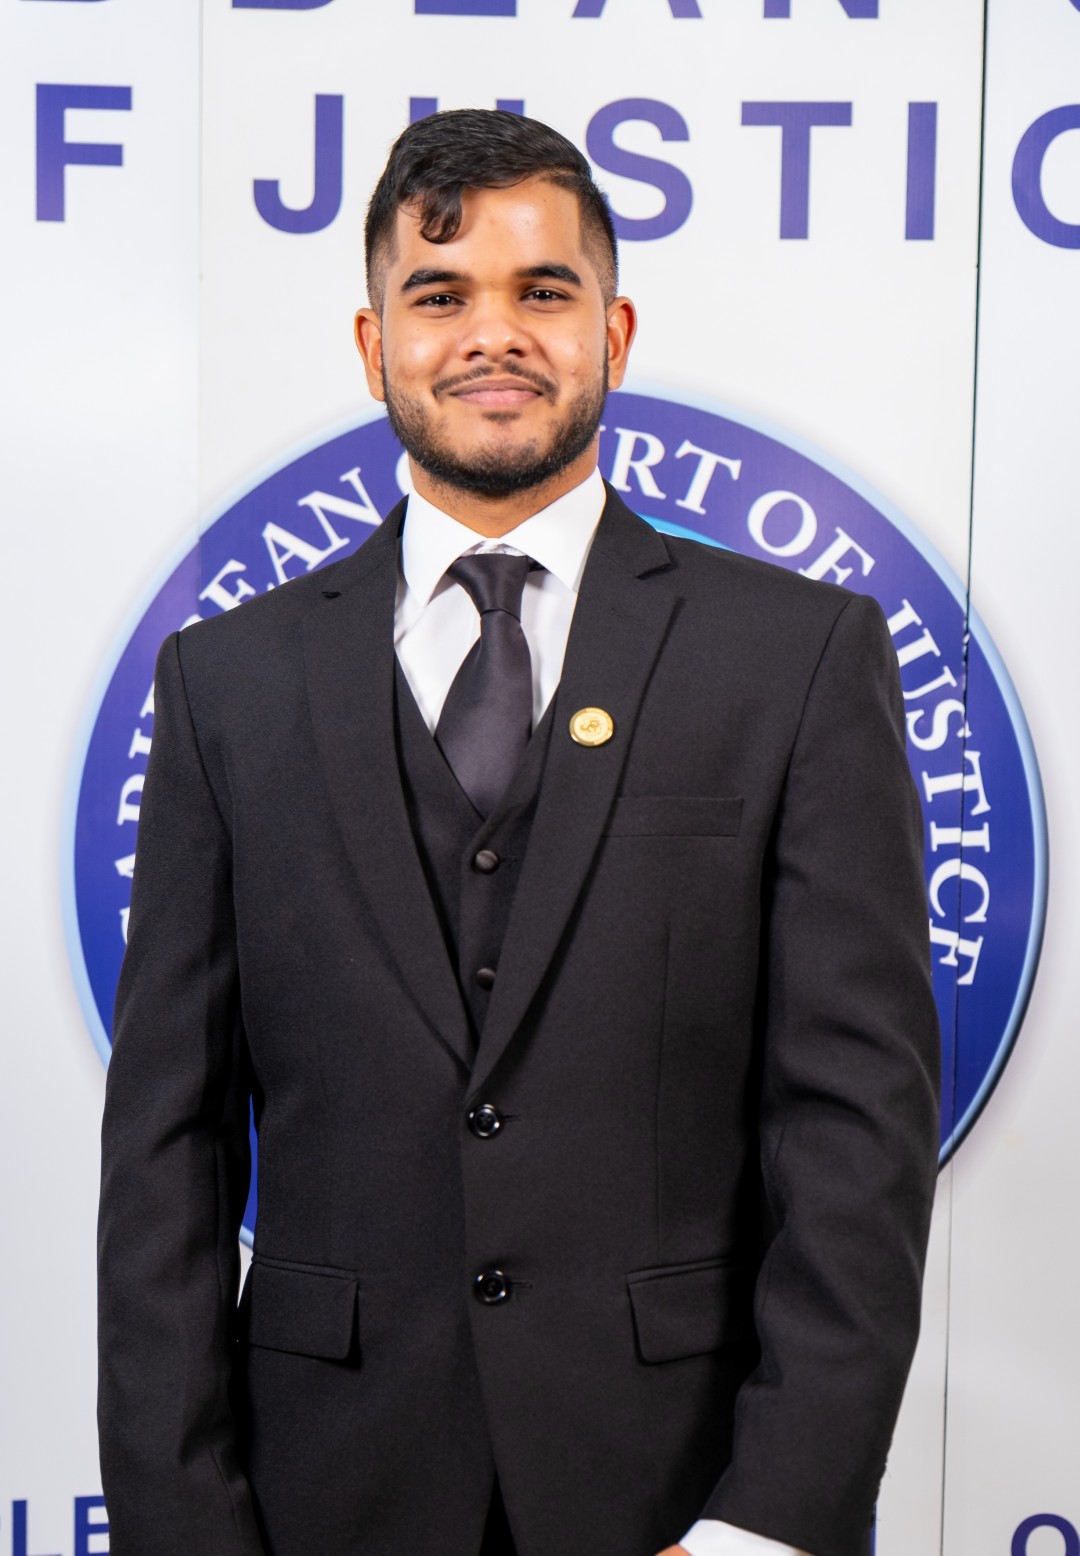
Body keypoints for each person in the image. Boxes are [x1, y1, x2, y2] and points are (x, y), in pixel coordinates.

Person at [97, 109, 941, 1556]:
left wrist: (767, 1524)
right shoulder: (225, 686)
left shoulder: (798, 659)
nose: (494, 333)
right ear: (373, 345)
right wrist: (184, 1527)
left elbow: (855, 1131)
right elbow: (165, 1152)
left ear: (613, 329)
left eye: (543, 290)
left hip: (678, 1493)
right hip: (319, 1498)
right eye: (440, 294)